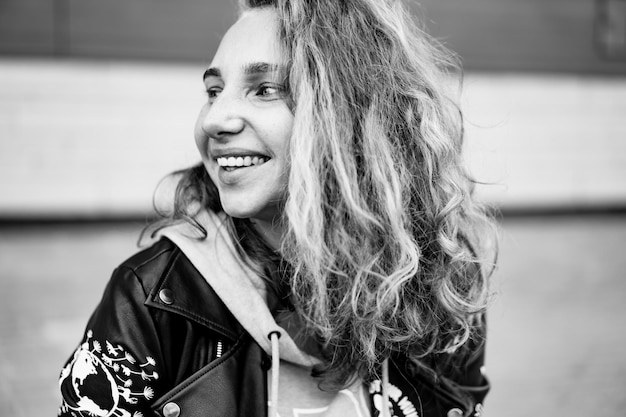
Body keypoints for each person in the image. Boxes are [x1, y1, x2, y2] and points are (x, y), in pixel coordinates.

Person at [58, 0, 497, 416]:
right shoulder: (150, 301)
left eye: (264, 89)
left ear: (351, 113)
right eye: (214, 90)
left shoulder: (442, 287)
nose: (214, 119)